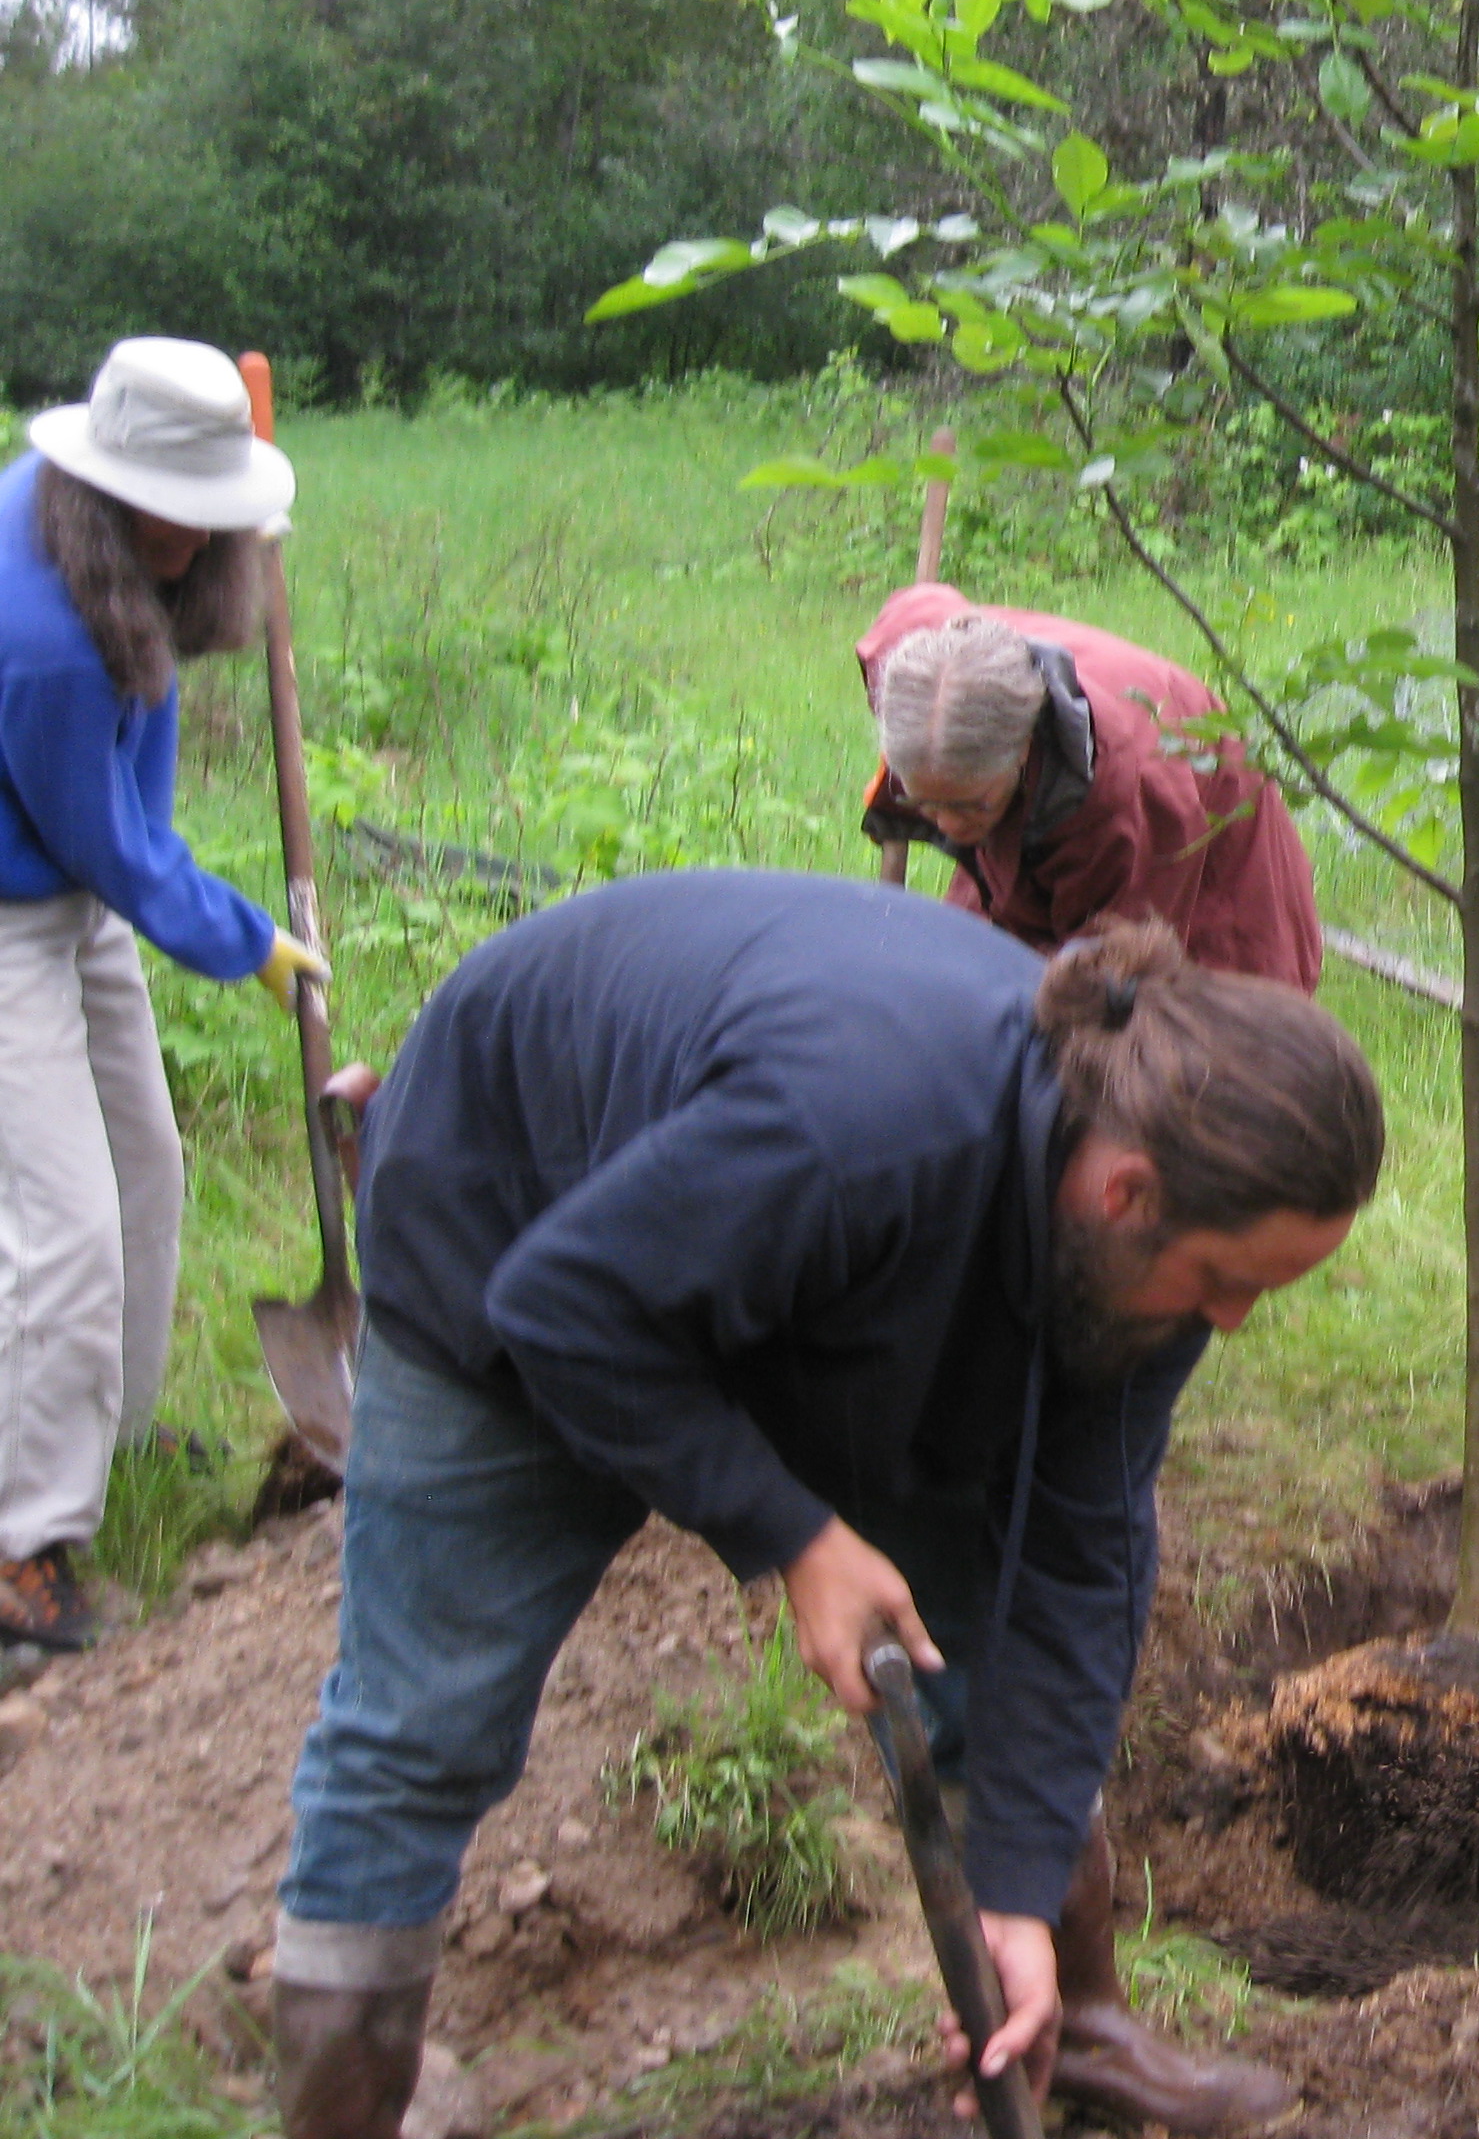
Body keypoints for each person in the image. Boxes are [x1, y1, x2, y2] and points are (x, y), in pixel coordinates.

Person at [269, 874, 1382, 2139]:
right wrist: (794, 1537)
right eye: (1227, 1281)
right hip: (517, 1231)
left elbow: (1078, 1559)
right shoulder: (861, 1127)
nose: (1232, 1320)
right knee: (424, 1728)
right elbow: (563, 1309)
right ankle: (342, 2113)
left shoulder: (1141, 1249)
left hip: (816, 1261)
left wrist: (1015, 1892)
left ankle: (1069, 2015)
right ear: (1125, 1193)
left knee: (990, 1633)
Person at [2, 339, 323, 1652]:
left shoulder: (116, 554)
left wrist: (201, 908)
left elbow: (134, 791)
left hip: (64, 873)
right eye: (173, 515)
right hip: (9, 906)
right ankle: (23, 1546)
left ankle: (109, 1434)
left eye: (212, 515)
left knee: (148, 1169)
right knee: (65, 1226)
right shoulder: (41, 639)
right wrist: (245, 939)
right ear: (109, 491)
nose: (196, 540)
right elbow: (114, 849)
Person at [859, 585, 1322, 995]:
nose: (947, 825)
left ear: (1023, 749)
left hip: (1205, 846)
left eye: (968, 806)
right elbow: (918, 605)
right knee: (961, 972)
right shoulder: (913, 663)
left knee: (1143, 1022)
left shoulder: (1130, 792)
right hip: (1043, 800)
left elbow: (1109, 969)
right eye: (925, 803)